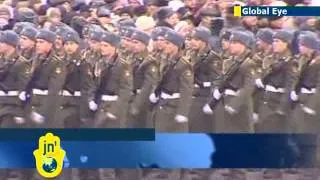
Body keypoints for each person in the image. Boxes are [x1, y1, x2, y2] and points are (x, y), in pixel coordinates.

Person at [203, 30, 255, 133]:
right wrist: (215, 90)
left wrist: (234, 104)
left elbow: (248, 87)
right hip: (223, 103)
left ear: (243, 45)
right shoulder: (229, 61)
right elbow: (220, 79)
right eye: (230, 42)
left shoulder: (248, 63)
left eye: (235, 43)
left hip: (239, 107)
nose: (231, 45)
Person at [150, 28, 193, 132]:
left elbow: (186, 90)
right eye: (164, 43)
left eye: (168, 43)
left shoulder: (183, 65)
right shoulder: (167, 60)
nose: (164, 46)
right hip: (162, 103)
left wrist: (182, 112)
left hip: (174, 106)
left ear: (176, 46)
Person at [255, 30, 298, 133]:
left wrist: (281, 109)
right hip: (265, 102)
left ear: (286, 43)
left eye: (277, 41)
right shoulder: (271, 59)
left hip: (276, 104)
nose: (274, 43)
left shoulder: (291, 62)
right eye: (273, 41)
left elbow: (289, 87)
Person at [90, 31, 133, 128]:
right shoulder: (101, 62)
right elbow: (95, 83)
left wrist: (115, 109)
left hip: (114, 105)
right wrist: (92, 99)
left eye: (106, 46)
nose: (102, 48)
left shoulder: (123, 65)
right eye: (101, 45)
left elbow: (126, 89)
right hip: (100, 103)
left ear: (114, 47)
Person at [26, 29, 67, 128]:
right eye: (37, 42)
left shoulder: (57, 63)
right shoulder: (36, 59)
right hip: (32, 103)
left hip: (46, 106)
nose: (37, 45)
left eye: (41, 42)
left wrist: (42, 111)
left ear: (50, 44)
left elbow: (54, 90)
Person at [188, 26, 222, 133]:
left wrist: (210, 103)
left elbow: (216, 81)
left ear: (205, 41)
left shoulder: (212, 58)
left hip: (203, 98)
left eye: (196, 40)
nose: (192, 42)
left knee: (200, 129)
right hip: (190, 97)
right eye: (191, 39)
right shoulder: (191, 55)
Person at [127, 29, 159, 128]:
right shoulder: (130, 58)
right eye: (131, 42)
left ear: (144, 44)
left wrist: (137, 105)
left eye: (136, 42)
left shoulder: (149, 62)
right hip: (128, 99)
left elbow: (148, 86)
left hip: (141, 102)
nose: (132, 45)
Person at [291, 31, 320, 133]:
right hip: (301, 99)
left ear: (310, 47)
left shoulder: (317, 62)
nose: (300, 47)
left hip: (311, 101)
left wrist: (312, 105)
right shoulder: (306, 60)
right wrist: (295, 91)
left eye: (302, 45)